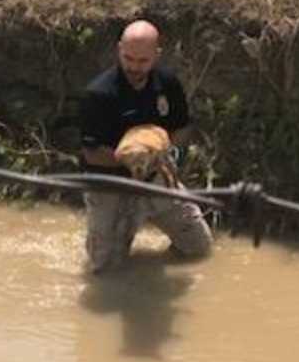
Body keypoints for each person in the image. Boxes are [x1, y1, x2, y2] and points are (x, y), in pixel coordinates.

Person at [79, 20, 212, 273]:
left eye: (143, 61)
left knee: (198, 249)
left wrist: (164, 150)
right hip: (109, 185)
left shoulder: (167, 83)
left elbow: (182, 127)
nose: (134, 67)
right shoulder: (98, 94)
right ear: (119, 50)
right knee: (105, 271)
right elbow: (92, 153)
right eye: (128, 58)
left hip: (158, 177)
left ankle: (150, 272)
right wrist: (133, 157)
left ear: (156, 56)